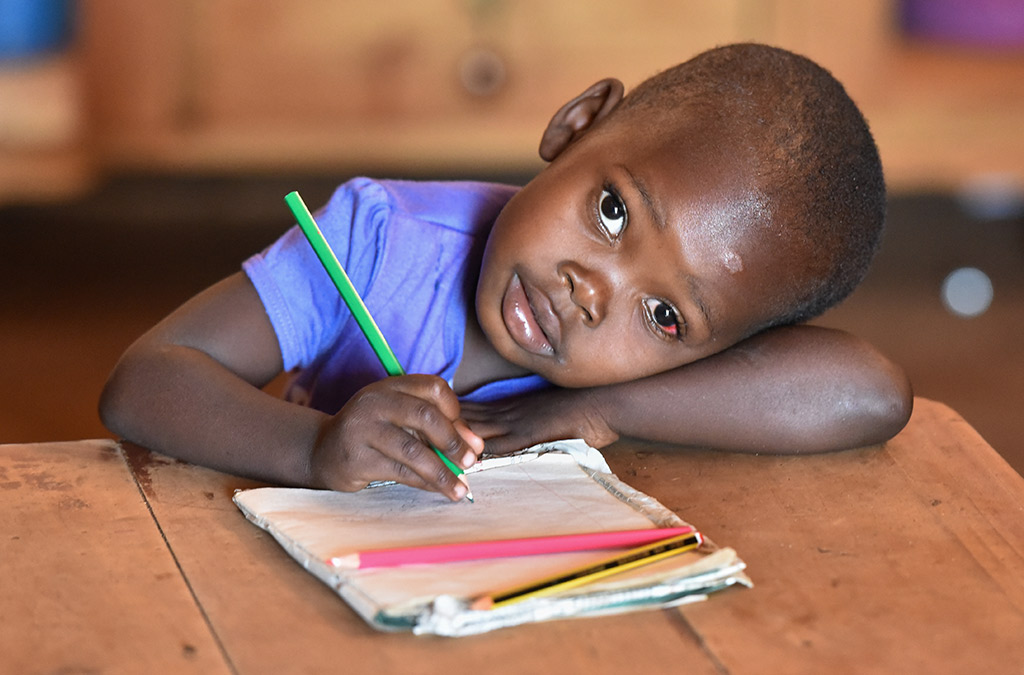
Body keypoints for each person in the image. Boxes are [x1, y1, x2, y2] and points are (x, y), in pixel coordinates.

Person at [99, 43, 912, 502]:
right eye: (614, 211)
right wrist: (315, 447)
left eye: (665, 316)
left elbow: (869, 391)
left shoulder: (633, 375)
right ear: (578, 124)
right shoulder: (379, 239)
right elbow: (144, 380)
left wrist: (603, 406)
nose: (592, 293)